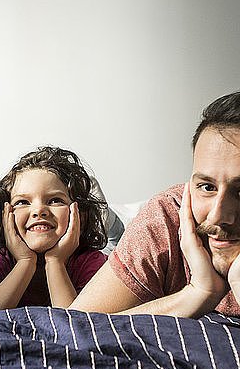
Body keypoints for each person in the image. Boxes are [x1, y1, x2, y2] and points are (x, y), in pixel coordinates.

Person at [70, 91, 240, 318]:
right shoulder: (166, 217)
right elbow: (78, 325)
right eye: (207, 187)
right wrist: (198, 292)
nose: (218, 215)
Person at [0, 146, 108, 315]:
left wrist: (55, 261)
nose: (39, 210)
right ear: (5, 218)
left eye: (55, 200)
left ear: (80, 217)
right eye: (23, 202)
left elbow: (80, 324)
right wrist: (25, 262)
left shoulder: (91, 262)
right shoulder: (0, 261)